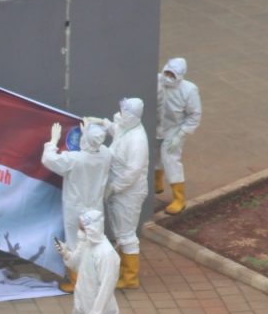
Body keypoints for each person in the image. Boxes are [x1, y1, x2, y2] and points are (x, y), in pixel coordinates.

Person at [41, 121, 112, 292]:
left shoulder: (75, 159)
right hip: (95, 208)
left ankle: (76, 282)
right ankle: (95, 279)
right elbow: (97, 144)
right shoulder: (105, 154)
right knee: (94, 243)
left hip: (76, 209)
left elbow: (48, 159)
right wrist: (91, 131)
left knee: (74, 244)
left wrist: (53, 141)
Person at [103, 98, 149, 289]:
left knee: (126, 234)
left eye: (125, 113)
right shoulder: (127, 128)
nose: (121, 116)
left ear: (133, 116)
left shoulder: (138, 140)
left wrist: (115, 187)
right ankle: (123, 270)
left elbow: (133, 171)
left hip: (129, 193)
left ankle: (130, 278)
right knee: (119, 231)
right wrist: (103, 124)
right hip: (119, 190)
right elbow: (117, 132)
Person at [155, 58, 202, 215]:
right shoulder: (157, 81)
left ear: (180, 76)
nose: (168, 77)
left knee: (170, 159)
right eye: (167, 73)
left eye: (172, 75)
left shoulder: (188, 90)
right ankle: (157, 183)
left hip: (174, 130)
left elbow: (194, 115)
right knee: (154, 155)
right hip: (156, 126)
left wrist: (180, 134)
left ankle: (179, 198)